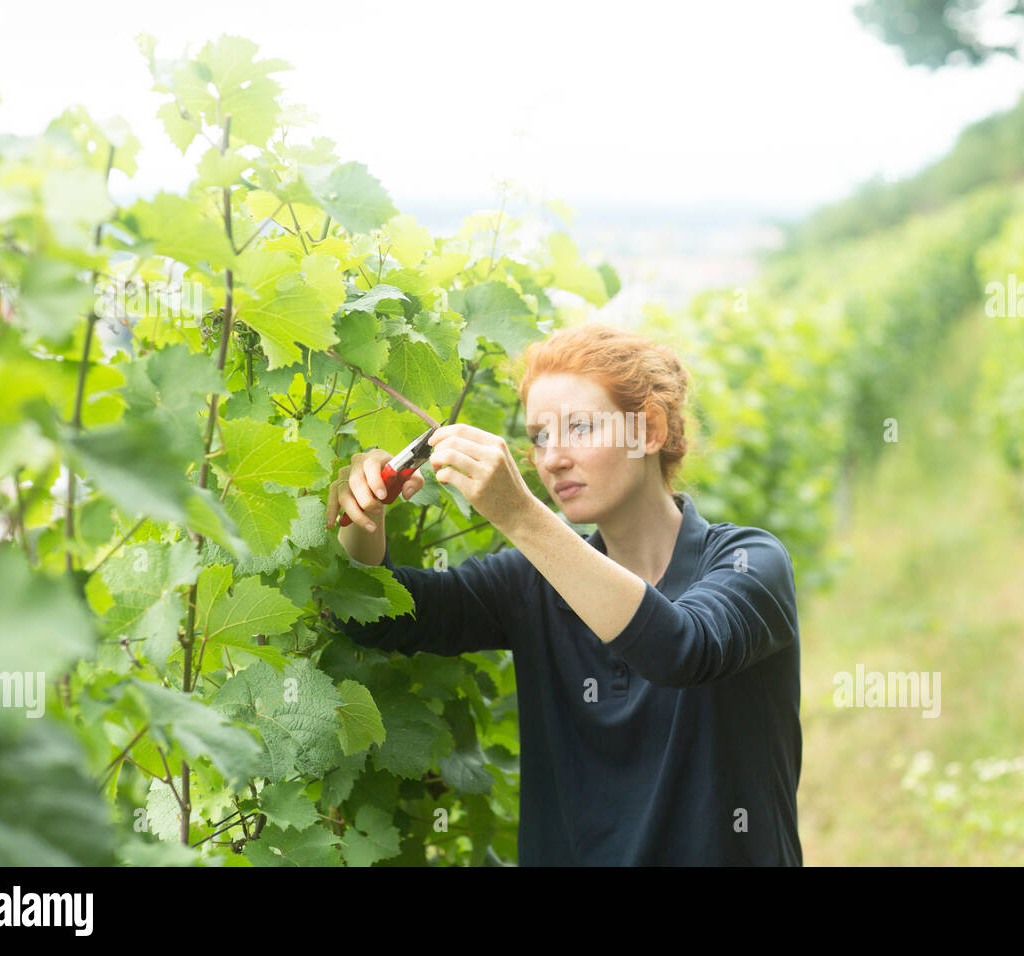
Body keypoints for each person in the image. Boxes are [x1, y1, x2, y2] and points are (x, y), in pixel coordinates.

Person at [321, 322, 803, 866]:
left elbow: (681, 647)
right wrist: (364, 513)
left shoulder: (750, 563)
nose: (551, 459)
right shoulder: (529, 581)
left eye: (579, 428)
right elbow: (375, 617)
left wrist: (520, 514)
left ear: (648, 430)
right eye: (541, 437)